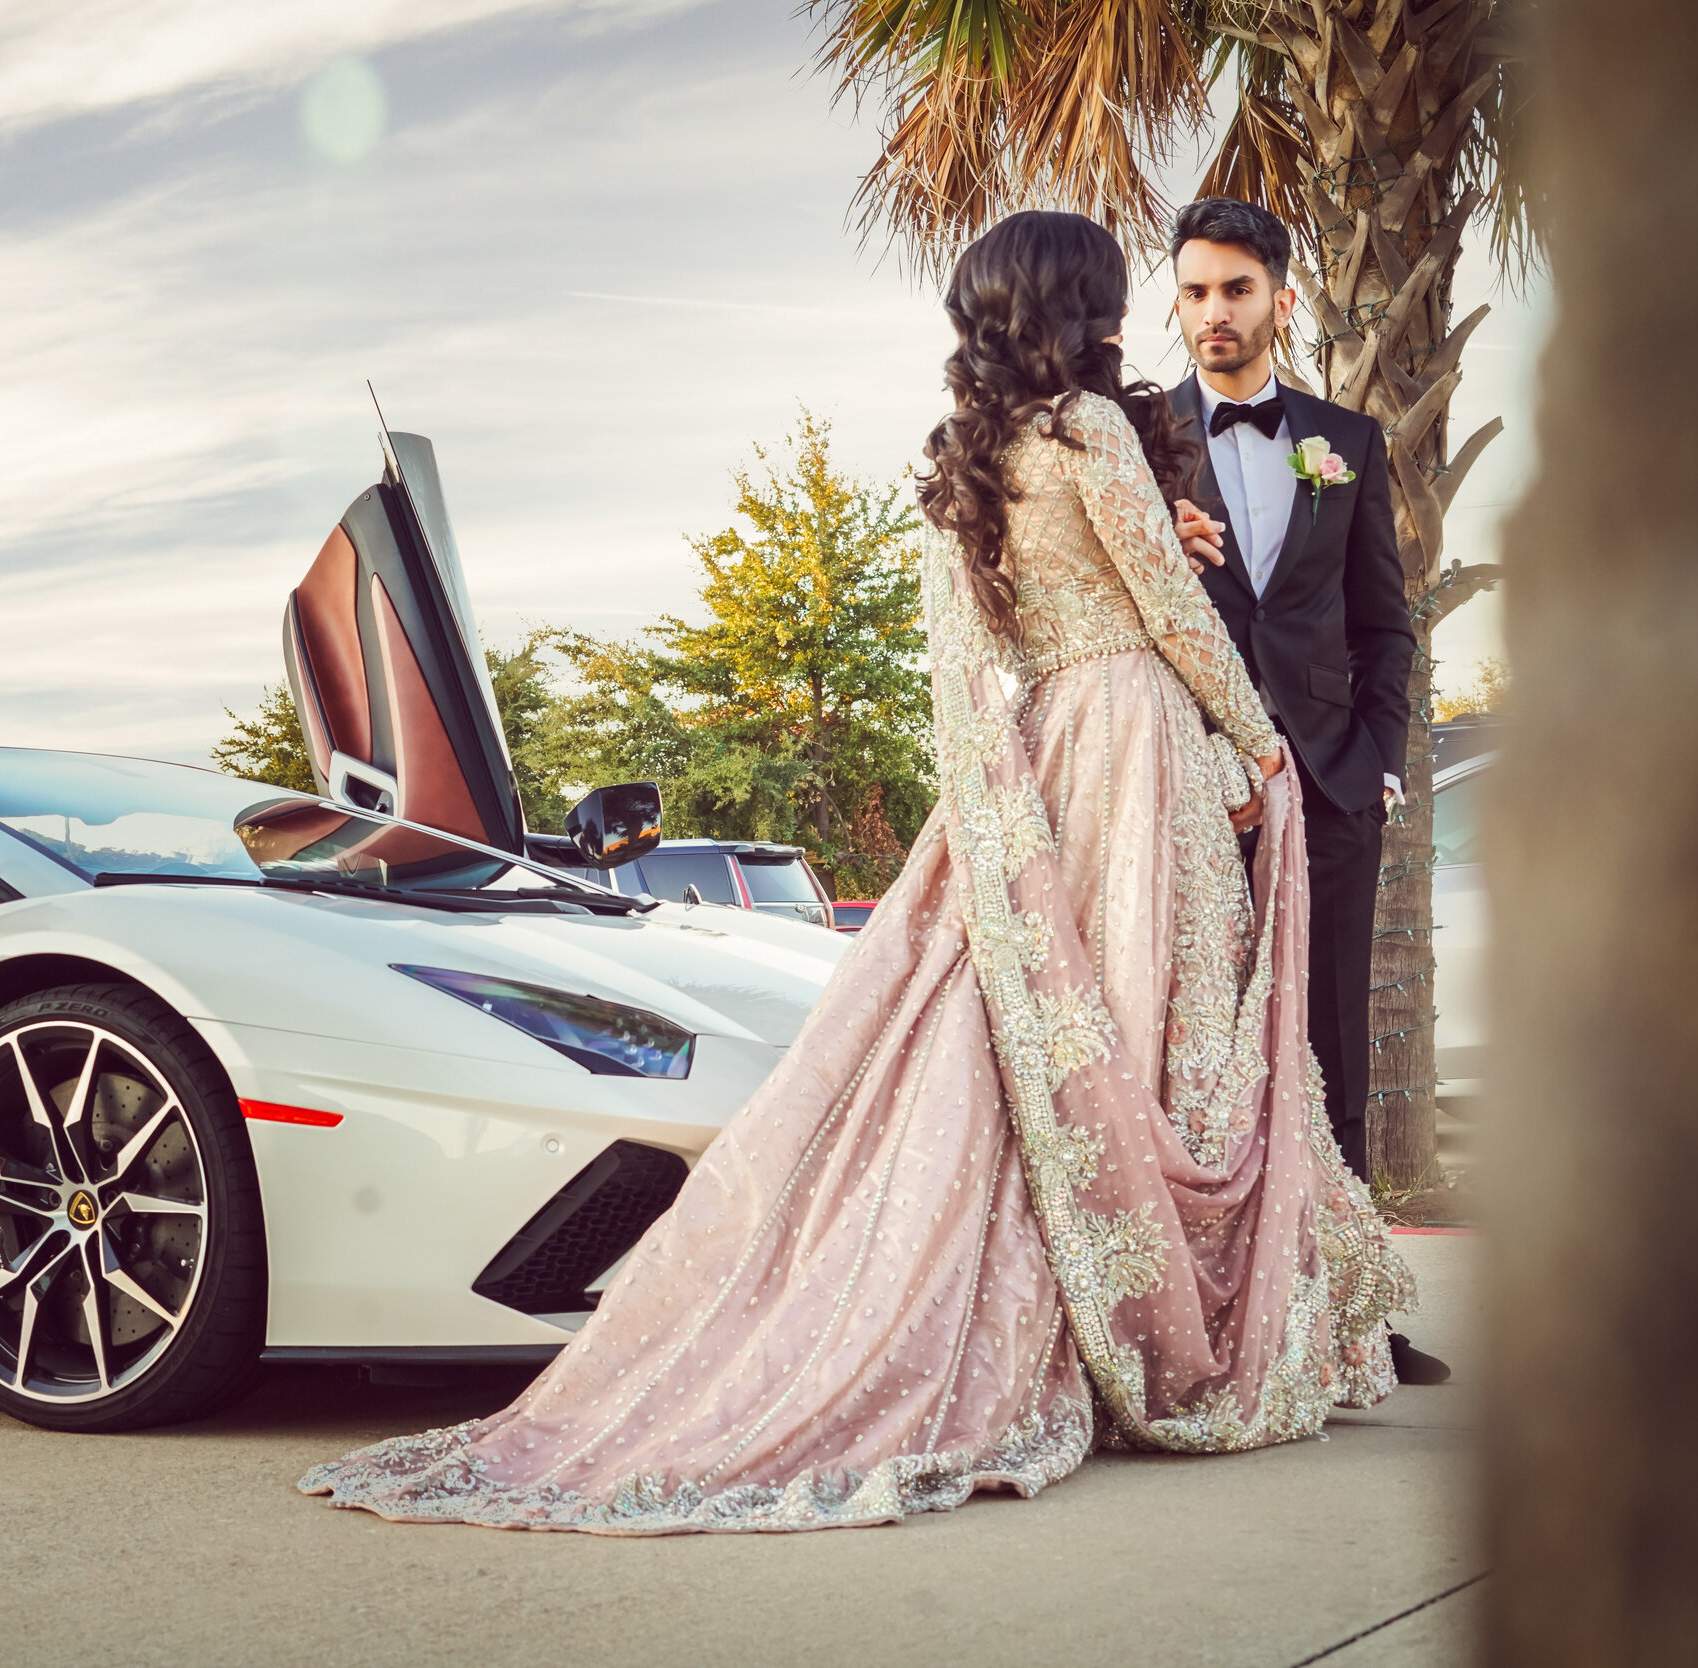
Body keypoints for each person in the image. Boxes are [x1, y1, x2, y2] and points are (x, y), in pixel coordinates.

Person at [299, 211, 1413, 1534]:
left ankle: (1106, 1324)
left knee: (1071, 1043)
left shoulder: (979, 455)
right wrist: (1256, 742)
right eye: (1120, 293)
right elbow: (1169, 618)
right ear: (1077, 304)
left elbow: (1020, 630)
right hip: (1135, 746)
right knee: (1156, 1030)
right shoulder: (1097, 430)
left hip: (1048, 748)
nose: (1140, 315)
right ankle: (1165, 1332)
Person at [1163, 197, 1447, 1387]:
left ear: (1283, 296)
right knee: (1193, 1047)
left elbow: (1386, 625)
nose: (1213, 315)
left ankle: (1344, 1322)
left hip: (1327, 787)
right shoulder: (1137, 440)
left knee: (1326, 1045)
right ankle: (1202, 1323)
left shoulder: (1344, 439)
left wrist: (1375, 759)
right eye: (1193, 292)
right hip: (1183, 787)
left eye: (1235, 290)